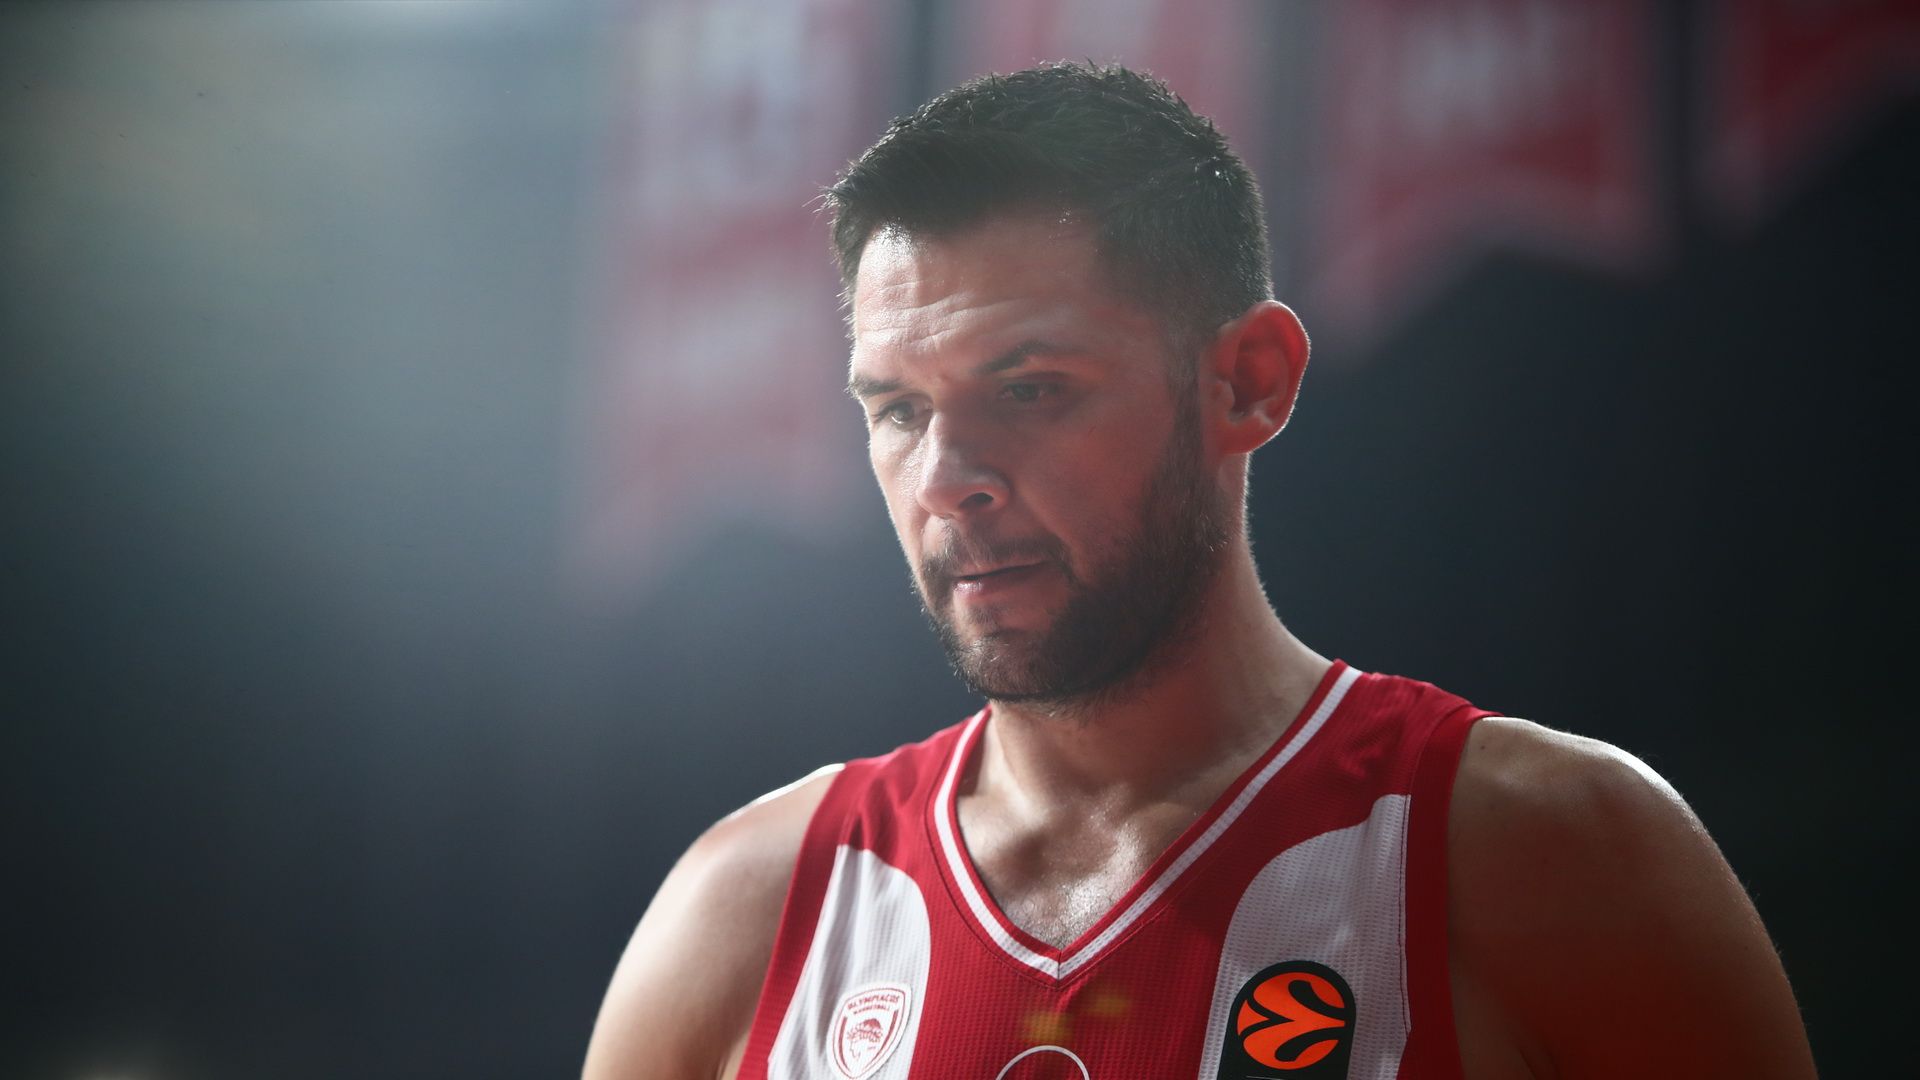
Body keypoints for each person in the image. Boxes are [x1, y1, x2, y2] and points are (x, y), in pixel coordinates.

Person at [582, 63, 1814, 1080]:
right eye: (900, 410)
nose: (948, 477)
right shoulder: (748, 915)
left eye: (1031, 390)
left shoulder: (1548, 855)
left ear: (1247, 382)